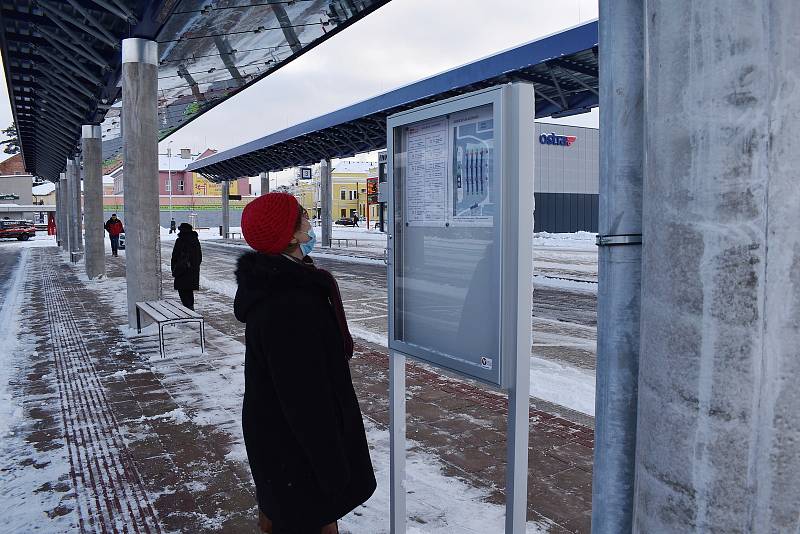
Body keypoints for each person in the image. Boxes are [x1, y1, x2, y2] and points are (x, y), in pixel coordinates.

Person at [235, 193, 375, 534]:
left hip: (280, 442)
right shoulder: (290, 304)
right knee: (305, 520)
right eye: (303, 215)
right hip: (296, 451)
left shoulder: (280, 288)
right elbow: (305, 399)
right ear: (291, 235)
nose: (310, 220)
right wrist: (332, 466)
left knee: (286, 517)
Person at [170, 223, 202, 310]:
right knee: (189, 292)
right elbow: (199, 257)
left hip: (181, 271)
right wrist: (194, 267)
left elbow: (175, 256)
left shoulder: (180, 241)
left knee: (183, 292)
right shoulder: (195, 241)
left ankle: (189, 311)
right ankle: (190, 309)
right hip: (192, 272)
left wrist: (174, 269)